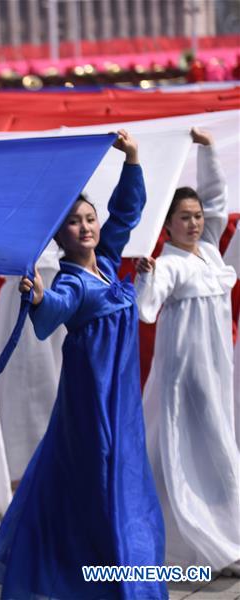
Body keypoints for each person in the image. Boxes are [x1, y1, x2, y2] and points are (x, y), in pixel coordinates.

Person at [0, 131, 167, 599]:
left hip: (121, 402)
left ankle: (122, 571)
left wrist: (132, 158)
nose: (86, 227)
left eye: (90, 218)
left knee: (122, 483)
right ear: (58, 234)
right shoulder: (71, 283)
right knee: (99, 483)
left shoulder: (107, 263)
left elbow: (127, 212)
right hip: (93, 404)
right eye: (74, 222)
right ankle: (106, 576)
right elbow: (50, 316)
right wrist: (41, 297)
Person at [135, 128, 240, 576]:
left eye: (196, 216)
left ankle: (219, 537)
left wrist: (209, 150)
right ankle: (212, 542)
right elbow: (145, 309)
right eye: (184, 217)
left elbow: (217, 200)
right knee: (188, 449)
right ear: (168, 224)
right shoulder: (170, 265)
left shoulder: (211, 257)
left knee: (208, 448)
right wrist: (144, 274)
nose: (195, 223)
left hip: (216, 372)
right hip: (184, 375)